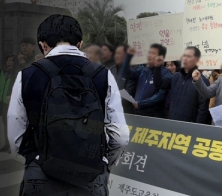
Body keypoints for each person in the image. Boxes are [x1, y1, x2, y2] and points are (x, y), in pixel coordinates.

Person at [7, 14, 129, 195]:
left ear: (43, 45)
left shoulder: (26, 75)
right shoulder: (103, 75)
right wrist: (103, 162)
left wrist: (35, 159)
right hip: (91, 175)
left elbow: (15, 137)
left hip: (41, 175)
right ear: (79, 43)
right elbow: (121, 137)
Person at [156, 46, 211, 124]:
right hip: (173, 122)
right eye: (184, 55)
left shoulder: (202, 81)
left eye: (188, 56)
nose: (185, 58)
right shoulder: (175, 77)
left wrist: (198, 128)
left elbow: (203, 109)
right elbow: (158, 84)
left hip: (189, 127)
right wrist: (158, 67)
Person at [122, 44, 172, 118]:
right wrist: (128, 57)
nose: (149, 55)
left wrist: (141, 104)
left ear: (161, 57)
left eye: (153, 53)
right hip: (138, 113)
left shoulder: (166, 74)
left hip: (153, 116)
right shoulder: (144, 70)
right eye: (149, 53)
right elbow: (125, 73)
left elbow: (160, 95)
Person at [110, 43, 136, 114]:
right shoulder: (112, 69)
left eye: (119, 53)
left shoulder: (130, 72)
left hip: (126, 111)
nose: (116, 56)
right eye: (116, 54)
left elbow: (128, 93)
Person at [0, 55, 17, 152]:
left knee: (12, 126)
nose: (8, 62)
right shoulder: (3, 72)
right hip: (3, 103)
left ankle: (13, 146)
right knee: (5, 125)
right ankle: (7, 144)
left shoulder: (16, 74)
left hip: (12, 103)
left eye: (11, 61)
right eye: (7, 60)